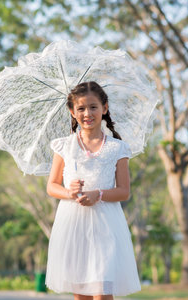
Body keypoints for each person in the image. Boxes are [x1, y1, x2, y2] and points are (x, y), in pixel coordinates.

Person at [46, 81, 141, 300]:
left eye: (93, 107)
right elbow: (52, 186)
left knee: (102, 292)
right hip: (73, 225)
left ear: (104, 108)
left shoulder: (118, 148)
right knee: (81, 294)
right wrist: (69, 193)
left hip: (106, 225)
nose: (87, 113)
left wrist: (97, 194)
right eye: (80, 108)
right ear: (72, 111)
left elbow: (124, 191)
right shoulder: (64, 146)